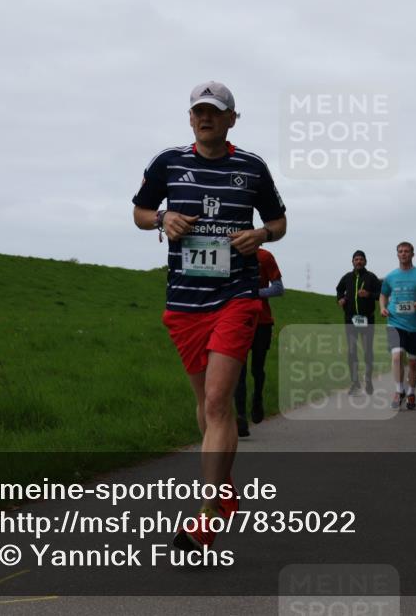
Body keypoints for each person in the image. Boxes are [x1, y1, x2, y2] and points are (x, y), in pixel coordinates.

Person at [132, 80, 287, 551]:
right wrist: (163, 220)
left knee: (219, 401)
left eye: (215, 112)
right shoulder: (168, 162)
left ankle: (206, 512)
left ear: (231, 119)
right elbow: (139, 211)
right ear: (191, 118)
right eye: (199, 111)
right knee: (205, 403)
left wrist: (259, 235)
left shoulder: (251, 167)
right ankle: (223, 486)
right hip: (183, 303)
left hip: (236, 297)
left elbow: (279, 223)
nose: (206, 118)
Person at [380, 242, 416, 410]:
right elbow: (383, 294)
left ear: (412, 254)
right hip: (395, 322)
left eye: (406, 251)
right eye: (400, 251)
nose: (403, 254)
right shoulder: (390, 276)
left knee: (412, 363)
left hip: (415, 326)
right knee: (396, 357)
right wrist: (382, 307)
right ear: (397, 254)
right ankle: (398, 391)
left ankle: (411, 392)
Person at [234, 247, 283, 437]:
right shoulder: (228, 254)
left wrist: (254, 293)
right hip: (236, 322)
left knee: (256, 369)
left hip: (262, 321)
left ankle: (257, 399)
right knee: (239, 371)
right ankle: (240, 417)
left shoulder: (265, 256)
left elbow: (278, 288)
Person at [336, 250, 380, 395]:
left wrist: (369, 294)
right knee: (352, 352)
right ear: (352, 262)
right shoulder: (347, 277)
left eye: (361, 259)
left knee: (367, 352)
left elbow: (380, 295)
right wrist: (340, 299)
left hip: (367, 319)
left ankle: (368, 381)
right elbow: (339, 289)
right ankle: (355, 383)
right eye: (356, 259)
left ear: (365, 261)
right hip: (350, 319)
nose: (358, 261)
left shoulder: (371, 278)